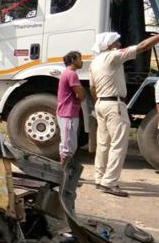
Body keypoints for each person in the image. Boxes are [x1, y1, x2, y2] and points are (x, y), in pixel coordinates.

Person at [89, 31, 159, 197]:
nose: (119, 45)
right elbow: (142, 46)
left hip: (101, 103)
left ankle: (99, 178)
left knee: (103, 144)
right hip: (114, 104)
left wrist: (98, 104)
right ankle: (109, 182)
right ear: (108, 45)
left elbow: (92, 88)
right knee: (118, 145)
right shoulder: (112, 56)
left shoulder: (95, 62)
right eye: (117, 42)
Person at [57, 51, 85, 165]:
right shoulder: (71, 74)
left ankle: (66, 173)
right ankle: (65, 174)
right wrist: (82, 92)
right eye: (79, 58)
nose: (81, 61)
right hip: (67, 113)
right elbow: (81, 95)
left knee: (68, 143)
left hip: (68, 112)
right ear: (73, 60)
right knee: (68, 145)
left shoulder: (67, 73)